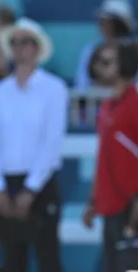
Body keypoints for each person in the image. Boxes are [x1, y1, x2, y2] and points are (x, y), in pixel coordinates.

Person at [0, 18, 68, 272]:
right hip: (7, 184)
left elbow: (51, 143)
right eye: (15, 42)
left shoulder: (55, 89)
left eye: (25, 41)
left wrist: (30, 190)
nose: (19, 47)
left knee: (48, 259)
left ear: (36, 48)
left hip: (41, 185)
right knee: (12, 261)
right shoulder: (0, 91)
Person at [82, 41, 138, 272]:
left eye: (106, 61)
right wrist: (93, 201)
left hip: (131, 207)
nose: (98, 66)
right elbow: (104, 157)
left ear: (124, 64)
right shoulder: (106, 106)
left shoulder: (135, 103)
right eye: (98, 60)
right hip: (111, 208)